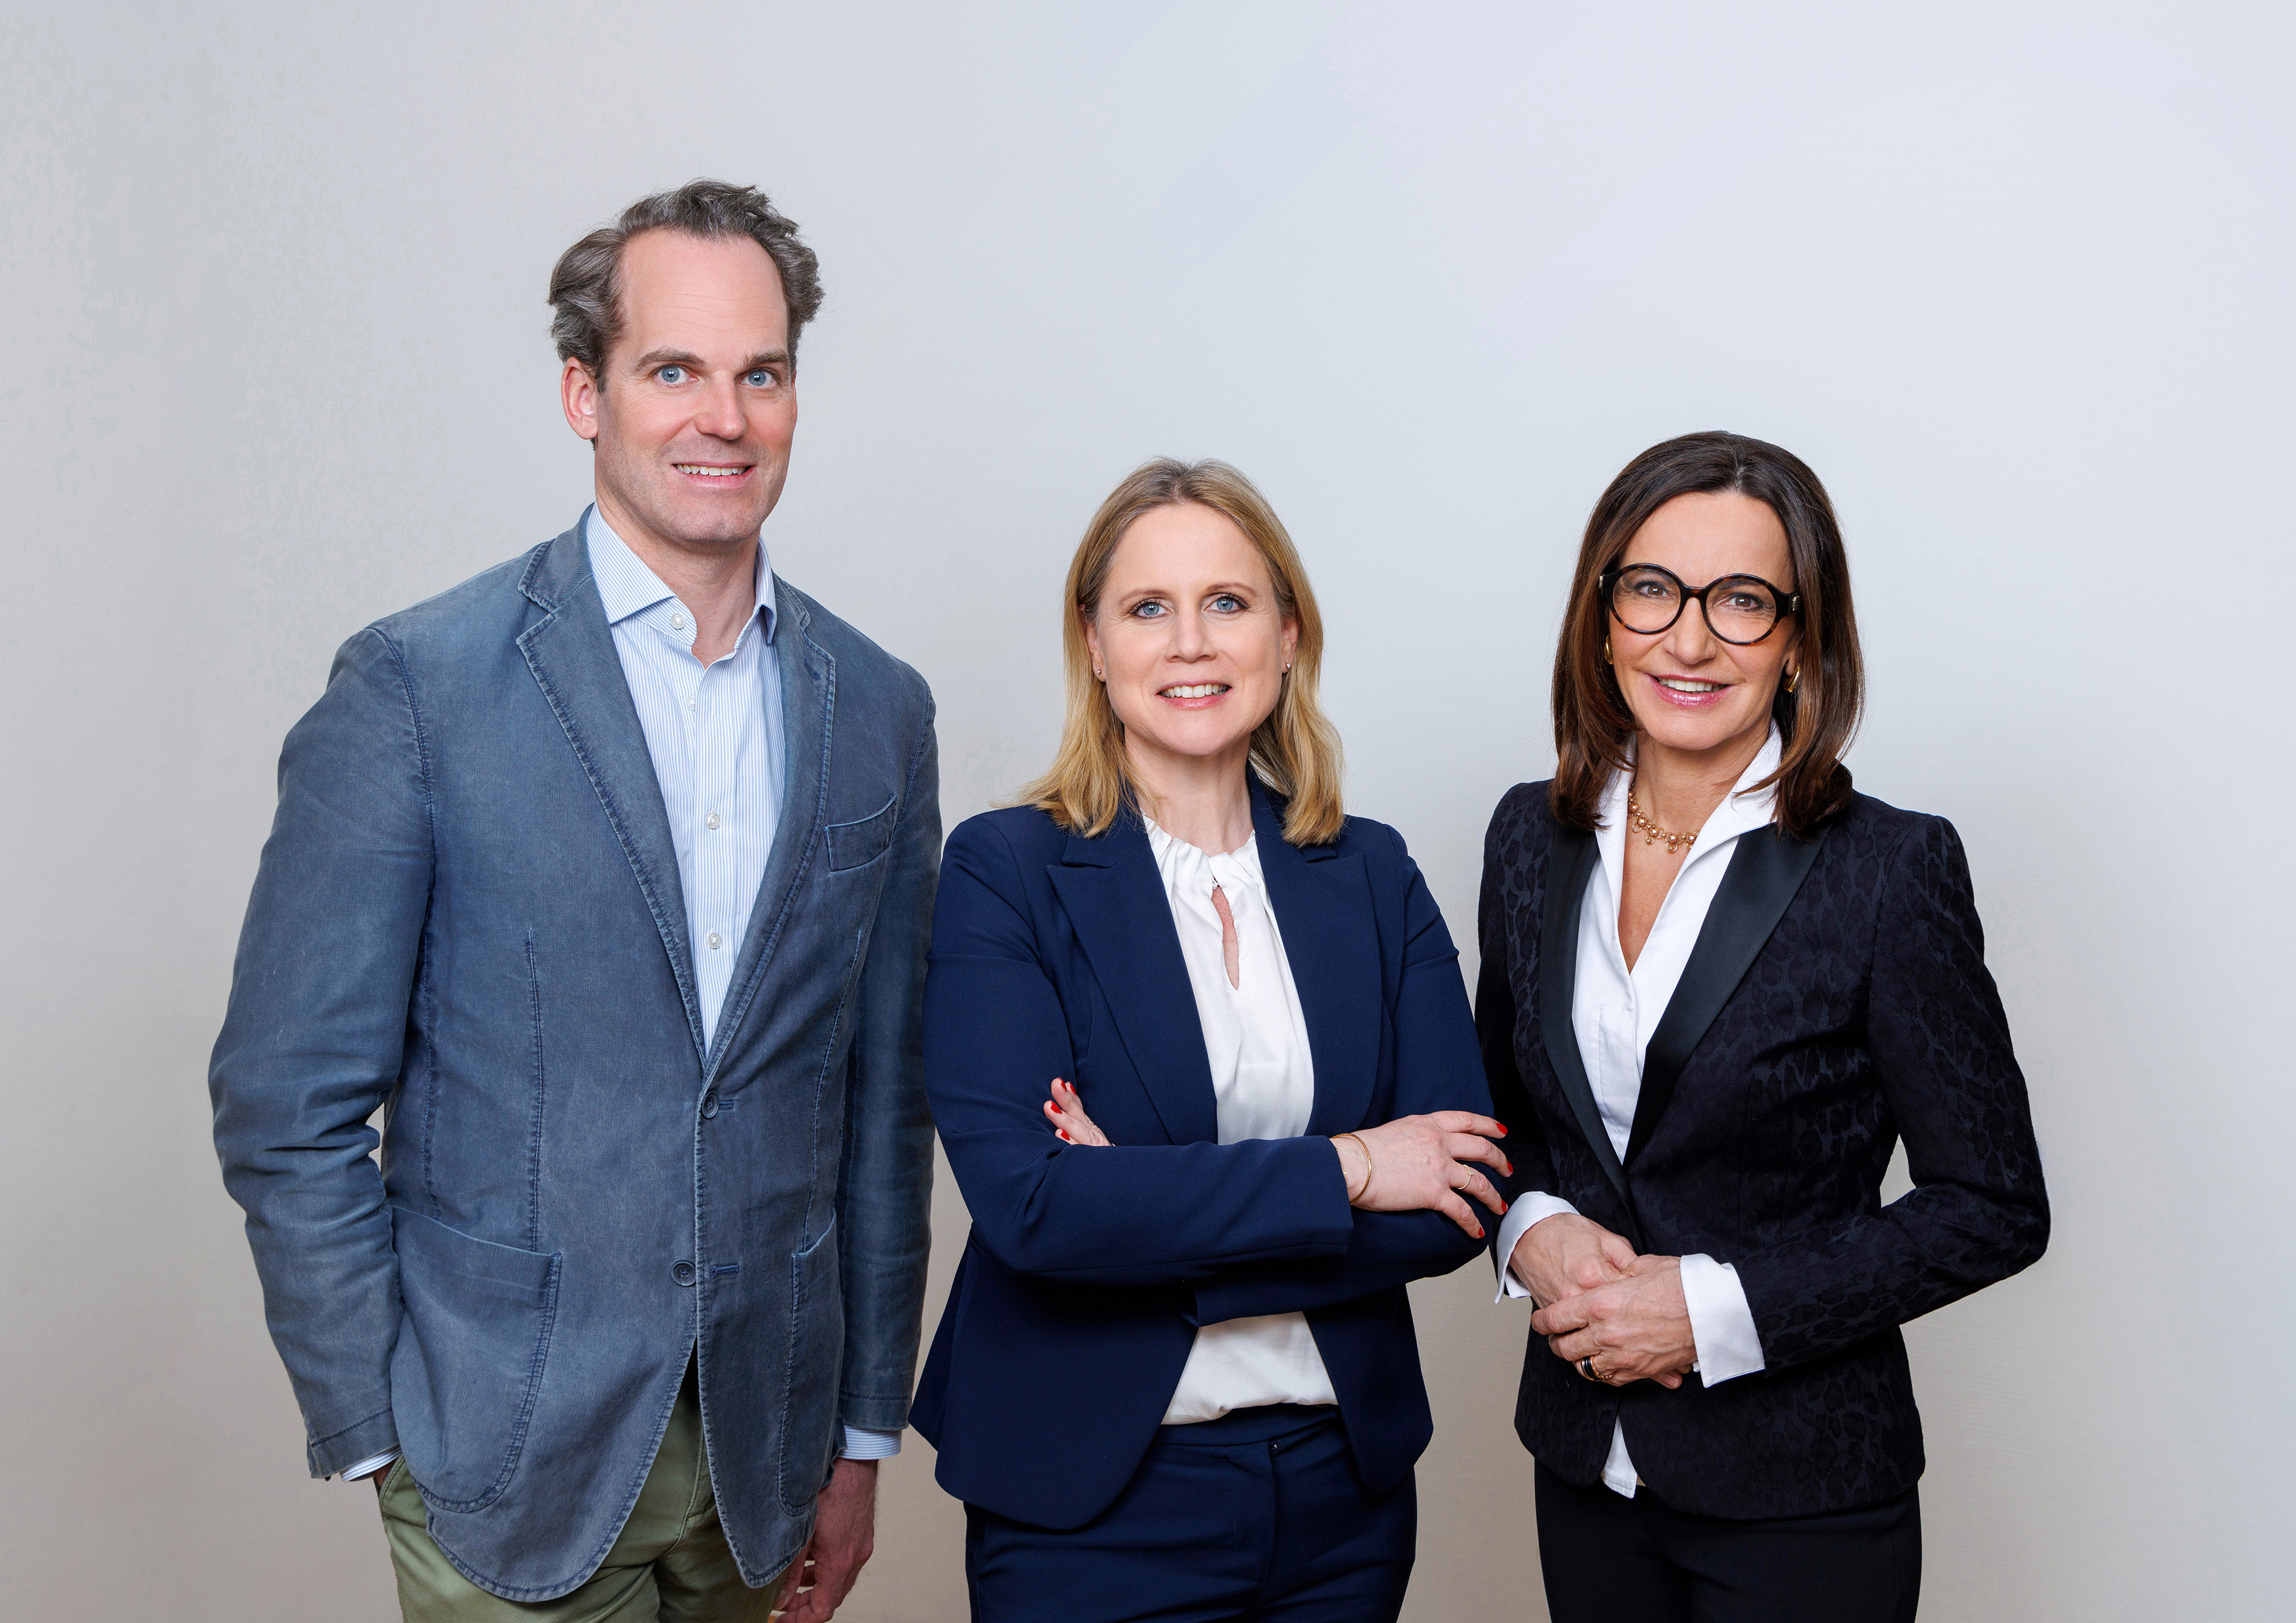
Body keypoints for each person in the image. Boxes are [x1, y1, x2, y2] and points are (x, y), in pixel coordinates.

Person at [208, 181, 939, 1620]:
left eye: (761, 374)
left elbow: (879, 1108)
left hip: (770, 1454)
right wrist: (379, 1430)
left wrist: (861, 1436)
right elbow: (283, 1099)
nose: (722, 418)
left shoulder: (878, 711)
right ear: (582, 394)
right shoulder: (416, 690)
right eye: (672, 370)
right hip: (501, 1448)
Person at [910, 459, 1507, 1622]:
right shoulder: (1006, 869)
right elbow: (1035, 1211)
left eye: (1227, 602)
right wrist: (1352, 1167)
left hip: (1343, 1501)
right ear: (1095, 644)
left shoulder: (1372, 873)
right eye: (1149, 608)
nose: (1191, 643)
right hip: (1092, 1507)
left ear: (1287, 635)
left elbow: (1458, 1196)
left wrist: (1141, 1204)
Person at [1475, 431, 2049, 1621]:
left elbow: (1993, 1205)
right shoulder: (1529, 837)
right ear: (1602, 618)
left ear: (1800, 640)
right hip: (1584, 1466)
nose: (1689, 641)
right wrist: (1531, 1229)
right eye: (1652, 590)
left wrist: (1708, 1314)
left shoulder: (1890, 870)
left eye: (1741, 601)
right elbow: (1504, 1114)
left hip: (1803, 1498)